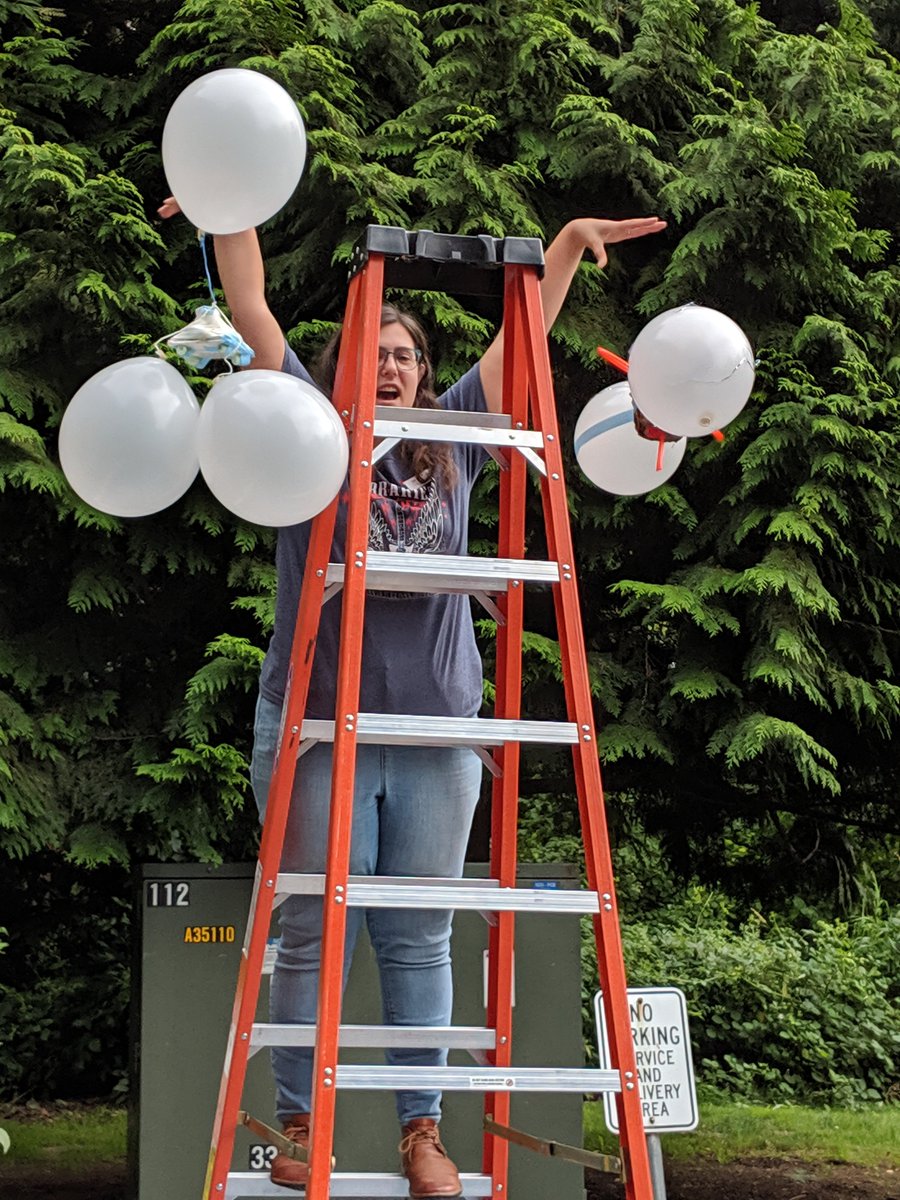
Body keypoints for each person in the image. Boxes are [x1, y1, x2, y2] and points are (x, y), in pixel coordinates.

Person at [160, 198, 665, 1197]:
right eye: (375, 349)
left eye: (405, 354)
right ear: (347, 361)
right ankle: (301, 1126)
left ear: (423, 373)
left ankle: (422, 1134)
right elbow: (251, 303)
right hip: (313, 727)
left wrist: (561, 247)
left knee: (420, 931)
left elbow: (523, 346)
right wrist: (229, 198)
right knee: (314, 928)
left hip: (435, 732)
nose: (390, 364)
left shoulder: (459, 435)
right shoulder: (309, 418)